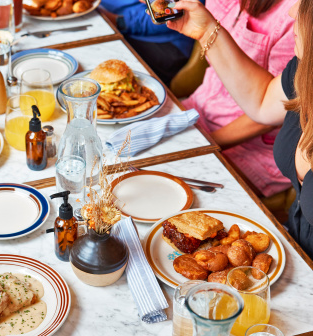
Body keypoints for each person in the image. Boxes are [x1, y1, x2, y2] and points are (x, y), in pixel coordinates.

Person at [168, 0, 313, 257]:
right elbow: (261, 100)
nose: (293, 11)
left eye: (305, 6)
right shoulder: (305, 70)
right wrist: (206, 30)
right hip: (293, 243)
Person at [181, 0, 296, 197]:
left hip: (253, 146)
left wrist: (203, 144)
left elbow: (273, 108)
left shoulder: (296, 13)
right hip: (199, 108)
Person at [101, 0, 198, 85]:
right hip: (117, 24)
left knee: (111, 68)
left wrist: (119, 21)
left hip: (167, 43)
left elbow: (172, 14)